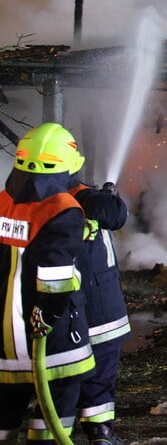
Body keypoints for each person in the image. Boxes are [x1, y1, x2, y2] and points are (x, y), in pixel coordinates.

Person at [0, 123, 96, 443]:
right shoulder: (62, 210)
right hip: (49, 340)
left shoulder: (2, 201)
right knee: (55, 410)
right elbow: (55, 277)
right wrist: (49, 314)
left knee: (4, 415)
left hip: (4, 341)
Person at [68, 175, 131, 443]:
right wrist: (105, 198)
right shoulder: (84, 197)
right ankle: (100, 432)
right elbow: (116, 214)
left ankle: (58, 431)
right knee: (99, 373)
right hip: (99, 307)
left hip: (61, 309)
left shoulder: (30, 201)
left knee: (63, 377)